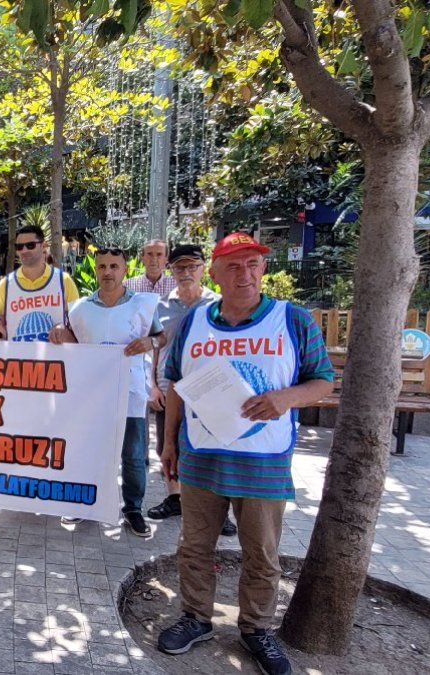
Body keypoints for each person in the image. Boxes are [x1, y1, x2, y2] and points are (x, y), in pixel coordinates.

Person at [155, 232, 334, 675]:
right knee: (194, 546)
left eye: (253, 264)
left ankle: (256, 628)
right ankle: (196, 617)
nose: (245, 274)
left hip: (263, 461)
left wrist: (286, 397)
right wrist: (169, 442)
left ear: (264, 268)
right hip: (201, 457)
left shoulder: (292, 320)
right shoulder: (195, 323)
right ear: (215, 273)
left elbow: (323, 380)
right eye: (233, 266)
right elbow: (175, 384)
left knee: (262, 553)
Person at [51, 247, 165, 536]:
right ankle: (84, 503)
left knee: (133, 455)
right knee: (89, 450)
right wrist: (60, 332)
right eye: (102, 266)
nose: (107, 272)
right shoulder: (80, 308)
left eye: (114, 266)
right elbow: (73, 341)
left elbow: (161, 336)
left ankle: (133, 509)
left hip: (131, 393)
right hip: (92, 394)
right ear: (96, 270)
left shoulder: (142, 305)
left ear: (125, 270)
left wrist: (150, 343)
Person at [143, 245, 236, 537]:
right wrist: (152, 386)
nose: (186, 272)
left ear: (203, 269)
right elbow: (153, 348)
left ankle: (220, 512)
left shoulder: (220, 304)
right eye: (180, 267)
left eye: (192, 266)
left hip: (210, 392)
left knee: (213, 451)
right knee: (167, 445)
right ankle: (175, 498)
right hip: (169, 388)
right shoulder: (160, 306)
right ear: (171, 270)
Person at [0, 224, 79, 342]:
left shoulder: (63, 281)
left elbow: (78, 327)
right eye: (19, 247)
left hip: (55, 354)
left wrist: (64, 331)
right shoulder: (6, 285)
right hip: (19, 354)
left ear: (43, 246)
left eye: (30, 245)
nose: (24, 250)